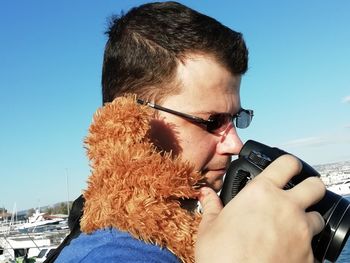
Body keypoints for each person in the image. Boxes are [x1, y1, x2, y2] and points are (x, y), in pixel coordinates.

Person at [55, 1, 326, 262]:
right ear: (133, 120)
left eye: (236, 119)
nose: (234, 143)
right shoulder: (114, 254)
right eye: (212, 121)